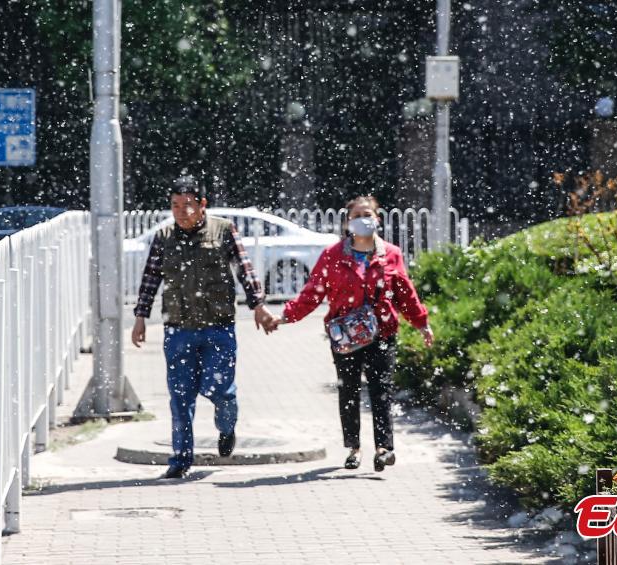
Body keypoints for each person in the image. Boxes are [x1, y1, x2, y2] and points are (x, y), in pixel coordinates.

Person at [269, 196, 434, 471]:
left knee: (381, 391)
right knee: (349, 392)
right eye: (357, 215)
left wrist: (421, 322)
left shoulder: (391, 254)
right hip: (345, 336)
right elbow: (313, 293)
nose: (363, 219)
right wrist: (285, 316)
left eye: (368, 214)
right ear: (348, 222)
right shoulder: (333, 256)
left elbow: (405, 293)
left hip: (382, 334)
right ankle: (353, 447)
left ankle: (384, 448)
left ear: (378, 219)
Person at [131, 176, 278, 479]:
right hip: (178, 329)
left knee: (219, 389)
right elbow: (150, 280)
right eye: (175, 206)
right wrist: (140, 317)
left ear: (202, 206)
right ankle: (181, 458)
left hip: (218, 329)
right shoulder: (163, 237)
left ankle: (226, 427)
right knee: (180, 397)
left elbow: (244, 269)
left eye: (188, 205)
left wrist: (258, 305)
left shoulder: (223, 231)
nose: (181, 212)